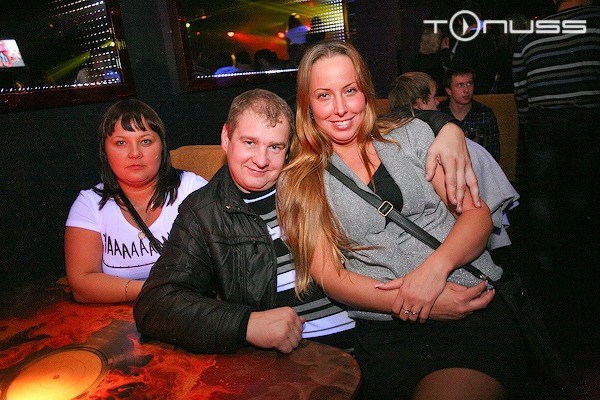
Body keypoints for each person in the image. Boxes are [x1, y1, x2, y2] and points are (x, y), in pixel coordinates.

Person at [134, 88, 486, 356]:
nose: (261, 159)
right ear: (226, 138)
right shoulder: (204, 212)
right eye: (249, 142)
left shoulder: (314, 178)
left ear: (289, 148)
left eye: (275, 147)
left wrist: (447, 126)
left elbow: (380, 123)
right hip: (296, 363)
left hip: (375, 337)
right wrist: (245, 324)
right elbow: (155, 303)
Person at [277, 40, 527, 400]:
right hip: (387, 334)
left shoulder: (412, 136)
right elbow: (332, 278)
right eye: (324, 95)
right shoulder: (299, 180)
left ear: (366, 92)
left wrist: (433, 273)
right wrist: (415, 301)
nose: (341, 108)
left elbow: (477, 216)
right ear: (307, 105)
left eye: (350, 90)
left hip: (467, 308)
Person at [65, 99, 208, 303]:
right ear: (105, 151)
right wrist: (156, 290)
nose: (135, 153)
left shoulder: (192, 189)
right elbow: (82, 284)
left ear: (162, 146)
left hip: (190, 309)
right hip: (118, 317)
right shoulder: (89, 204)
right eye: (121, 143)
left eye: (146, 141)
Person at [512, 0, 600, 270]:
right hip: (587, 116)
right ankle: (577, 251)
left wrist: (529, 123)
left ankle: (546, 258)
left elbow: (520, 88)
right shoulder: (594, 21)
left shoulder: (529, 35)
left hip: (543, 119)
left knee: (541, 193)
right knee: (581, 187)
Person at [388, 71, 519, 250]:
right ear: (420, 102)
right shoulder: (443, 141)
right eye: (433, 97)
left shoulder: (389, 138)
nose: (437, 102)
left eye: (469, 84)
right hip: (452, 233)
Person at [439, 65, 501, 160]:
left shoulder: (485, 114)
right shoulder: (439, 113)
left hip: (479, 166)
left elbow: (493, 154)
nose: (466, 90)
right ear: (449, 90)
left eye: (469, 84)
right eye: (460, 85)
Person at [449, 0, 498, 94]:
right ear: (478, 17)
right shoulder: (488, 41)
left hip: (465, 94)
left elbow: (455, 70)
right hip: (485, 93)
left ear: (460, 21)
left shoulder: (462, 42)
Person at [410, 28, 450, 96]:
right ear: (437, 42)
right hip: (439, 95)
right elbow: (447, 77)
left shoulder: (417, 59)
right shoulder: (439, 59)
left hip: (421, 95)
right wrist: (445, 52)